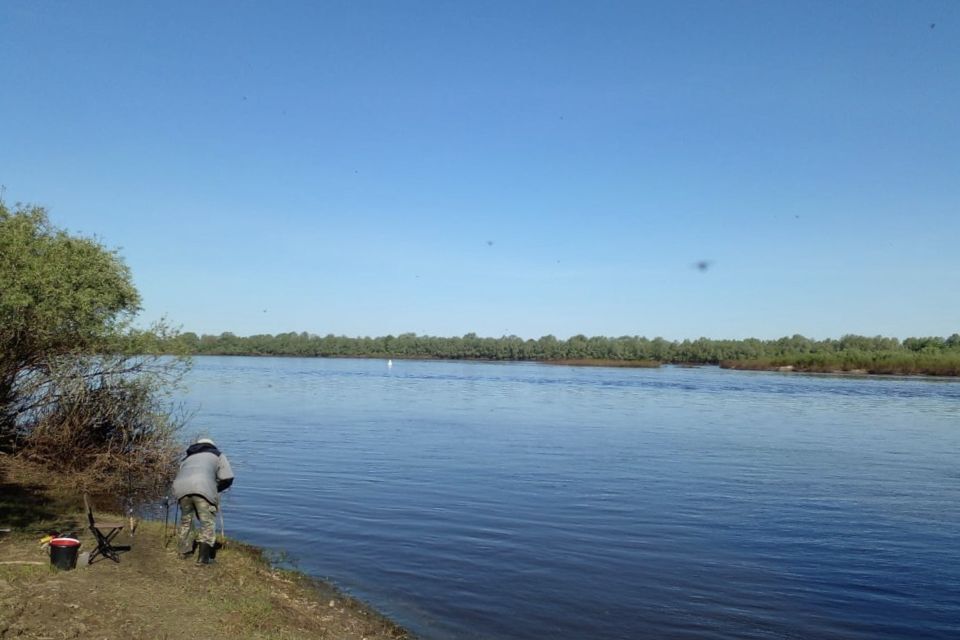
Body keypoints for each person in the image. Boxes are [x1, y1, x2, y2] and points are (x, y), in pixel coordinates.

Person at [172, 437, 234, 565]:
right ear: (212, 446)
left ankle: (184, 552)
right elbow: (228, 477)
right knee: (207, 523)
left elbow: (180, 473)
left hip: (180, 488)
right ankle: (203, 559)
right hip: (203, 488)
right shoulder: (217, 455)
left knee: (186, 521)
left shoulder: (187, 458)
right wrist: (216, 489)